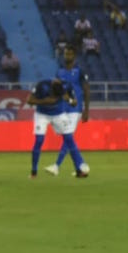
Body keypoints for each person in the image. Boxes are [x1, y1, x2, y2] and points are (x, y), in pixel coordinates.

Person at [45, 46, 90, 177]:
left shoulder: (79, 71)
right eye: (66, 54)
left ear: (74, 56)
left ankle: (57, 166)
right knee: (67, 137)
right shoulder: (59, 72)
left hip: (75, 109)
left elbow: (86, 90)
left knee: (68, 136)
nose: (67, 56)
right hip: (63, 108)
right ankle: (80, 168)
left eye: (70, 54)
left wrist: (86, 110)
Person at [26, 78, 72, 178]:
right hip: (42, 114)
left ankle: (58, 165)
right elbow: (29, 100)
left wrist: (70, 100)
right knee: (39, 140)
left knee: (69, 138)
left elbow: (68, 98)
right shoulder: (41, 85)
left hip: (58, 114)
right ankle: (34, 171)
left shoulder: (63, 86)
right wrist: (45, 101)